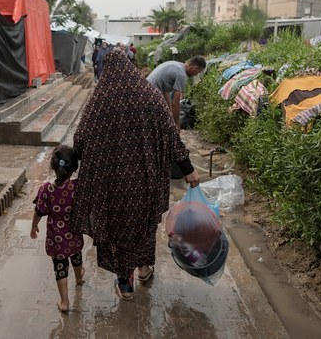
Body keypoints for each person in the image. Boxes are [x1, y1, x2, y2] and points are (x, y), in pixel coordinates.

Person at [71, 51, 200, 300]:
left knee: (116, 230)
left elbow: (81, 138)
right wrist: (188, 169)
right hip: (145, 181)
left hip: (112, 184)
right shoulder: (150, 96)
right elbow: (171, 137)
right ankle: (143, 268)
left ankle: (124, 282)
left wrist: (71, 165)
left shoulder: (101, 99)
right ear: (132, 68)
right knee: (143, 226)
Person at [30, 145, 85, 313]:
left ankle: (64, 302)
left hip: (56, 238)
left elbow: (39, 211)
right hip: (74, 233)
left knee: (60, 267)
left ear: (53, 166)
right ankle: (78, 277)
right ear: (74, 167)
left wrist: (34, 226)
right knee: (76, 255)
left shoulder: (46, 190)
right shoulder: (78, 187)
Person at [147, 56, 207, 131]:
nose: (196, 75)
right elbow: (175, 103)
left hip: (146, 90)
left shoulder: (175, 64)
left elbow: (166, 91)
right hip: (150, 95)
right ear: (194, 68)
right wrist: (177, 123)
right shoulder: (181, 75)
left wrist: (170, 113)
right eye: (198, 72)